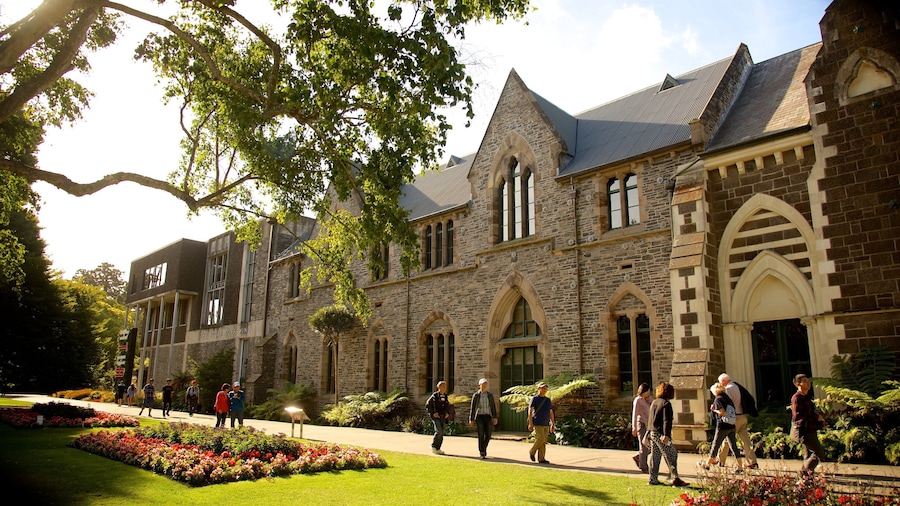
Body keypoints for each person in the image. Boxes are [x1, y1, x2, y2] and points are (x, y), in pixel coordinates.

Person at [647, 381, 689, 487]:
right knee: (672, 454)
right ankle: (675, 478)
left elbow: (651, 419)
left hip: (653, 432)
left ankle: (653, 478)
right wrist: (666, 435)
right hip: (661, 434)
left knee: (655, 456)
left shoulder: (654, 402)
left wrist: (648, 432)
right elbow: (667, 421)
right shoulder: (666, 404)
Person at [714, 373, 759, 469]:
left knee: (727, 439)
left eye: (720, 382)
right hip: (742, 416)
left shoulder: (727, 389)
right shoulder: (737, 386)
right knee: (746, 441)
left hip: (734, 418)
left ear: (723, 381)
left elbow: (726, 404)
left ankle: (720, 461)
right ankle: (753, 461)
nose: (720, 384)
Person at [700, 382, 744, 472]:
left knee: (715, 445)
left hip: (722, 426)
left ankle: (707, 465)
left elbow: (722, 412)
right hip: (731, 425)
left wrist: (714, 410)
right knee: (734, 446)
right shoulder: (728, 398)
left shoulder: (718, 399)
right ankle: (740, 466)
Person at [792, 374, 827, 477]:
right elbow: (798, 415)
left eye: (808, 381)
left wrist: (820, 423)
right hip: (805, 430)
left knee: (808, 455)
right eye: (805, 381)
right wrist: (816, 417)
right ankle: (804, 474)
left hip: (811, 428)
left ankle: (806, 477)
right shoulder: (797, 397)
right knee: (818, 453)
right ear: (798, 384)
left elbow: (810, 412)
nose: (808, 383)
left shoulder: (807, 397)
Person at [468, 378, 498, 459]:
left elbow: (493, 407)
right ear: (479, 385)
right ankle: (482, 452)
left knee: (488, 434)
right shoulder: (476, 395)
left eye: (485, 384)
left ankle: (483, 448)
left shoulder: (490, 395)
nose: (484, 386)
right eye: (483, 384)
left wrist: (495, 417)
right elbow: (473, 408)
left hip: (488, 416)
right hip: (479, 416)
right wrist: (471, 419)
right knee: (481, 434)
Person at [527, 381, 555, 464]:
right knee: (541, 439)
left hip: (546, 422)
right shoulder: (535, 399)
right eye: (542, 388)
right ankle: (532, 451)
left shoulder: (548, 400)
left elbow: (550, 412)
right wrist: (530, 423)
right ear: (538, 389)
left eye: (545, 388)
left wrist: (553, 423)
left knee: (544, 441)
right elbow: (530, 411)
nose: (544, 389)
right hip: (538, 422)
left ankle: (541, 458)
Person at [425, 380, 452, 455]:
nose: (444, 388)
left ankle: (438, 448)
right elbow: (428, 405)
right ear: (438, 387)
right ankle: (433, 445)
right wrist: (433, 413)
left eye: (445, 386)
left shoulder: (445, 396)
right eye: (442, 386)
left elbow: (447, 406)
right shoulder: (434, 396)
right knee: (439, 431)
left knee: (442, 432)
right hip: (436, 417)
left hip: (443, 416)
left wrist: (447, 413)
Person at [631, 382, 652, 473]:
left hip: (649, 425)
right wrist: (634, 427)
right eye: (648, 391)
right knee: (643, 446)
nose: (649, 392)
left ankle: (638, 457)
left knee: (651, 446)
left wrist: (649, 399)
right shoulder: (638, 400)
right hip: (641, 424)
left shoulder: (647, 400)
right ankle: (643, 466)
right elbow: (635, 414)